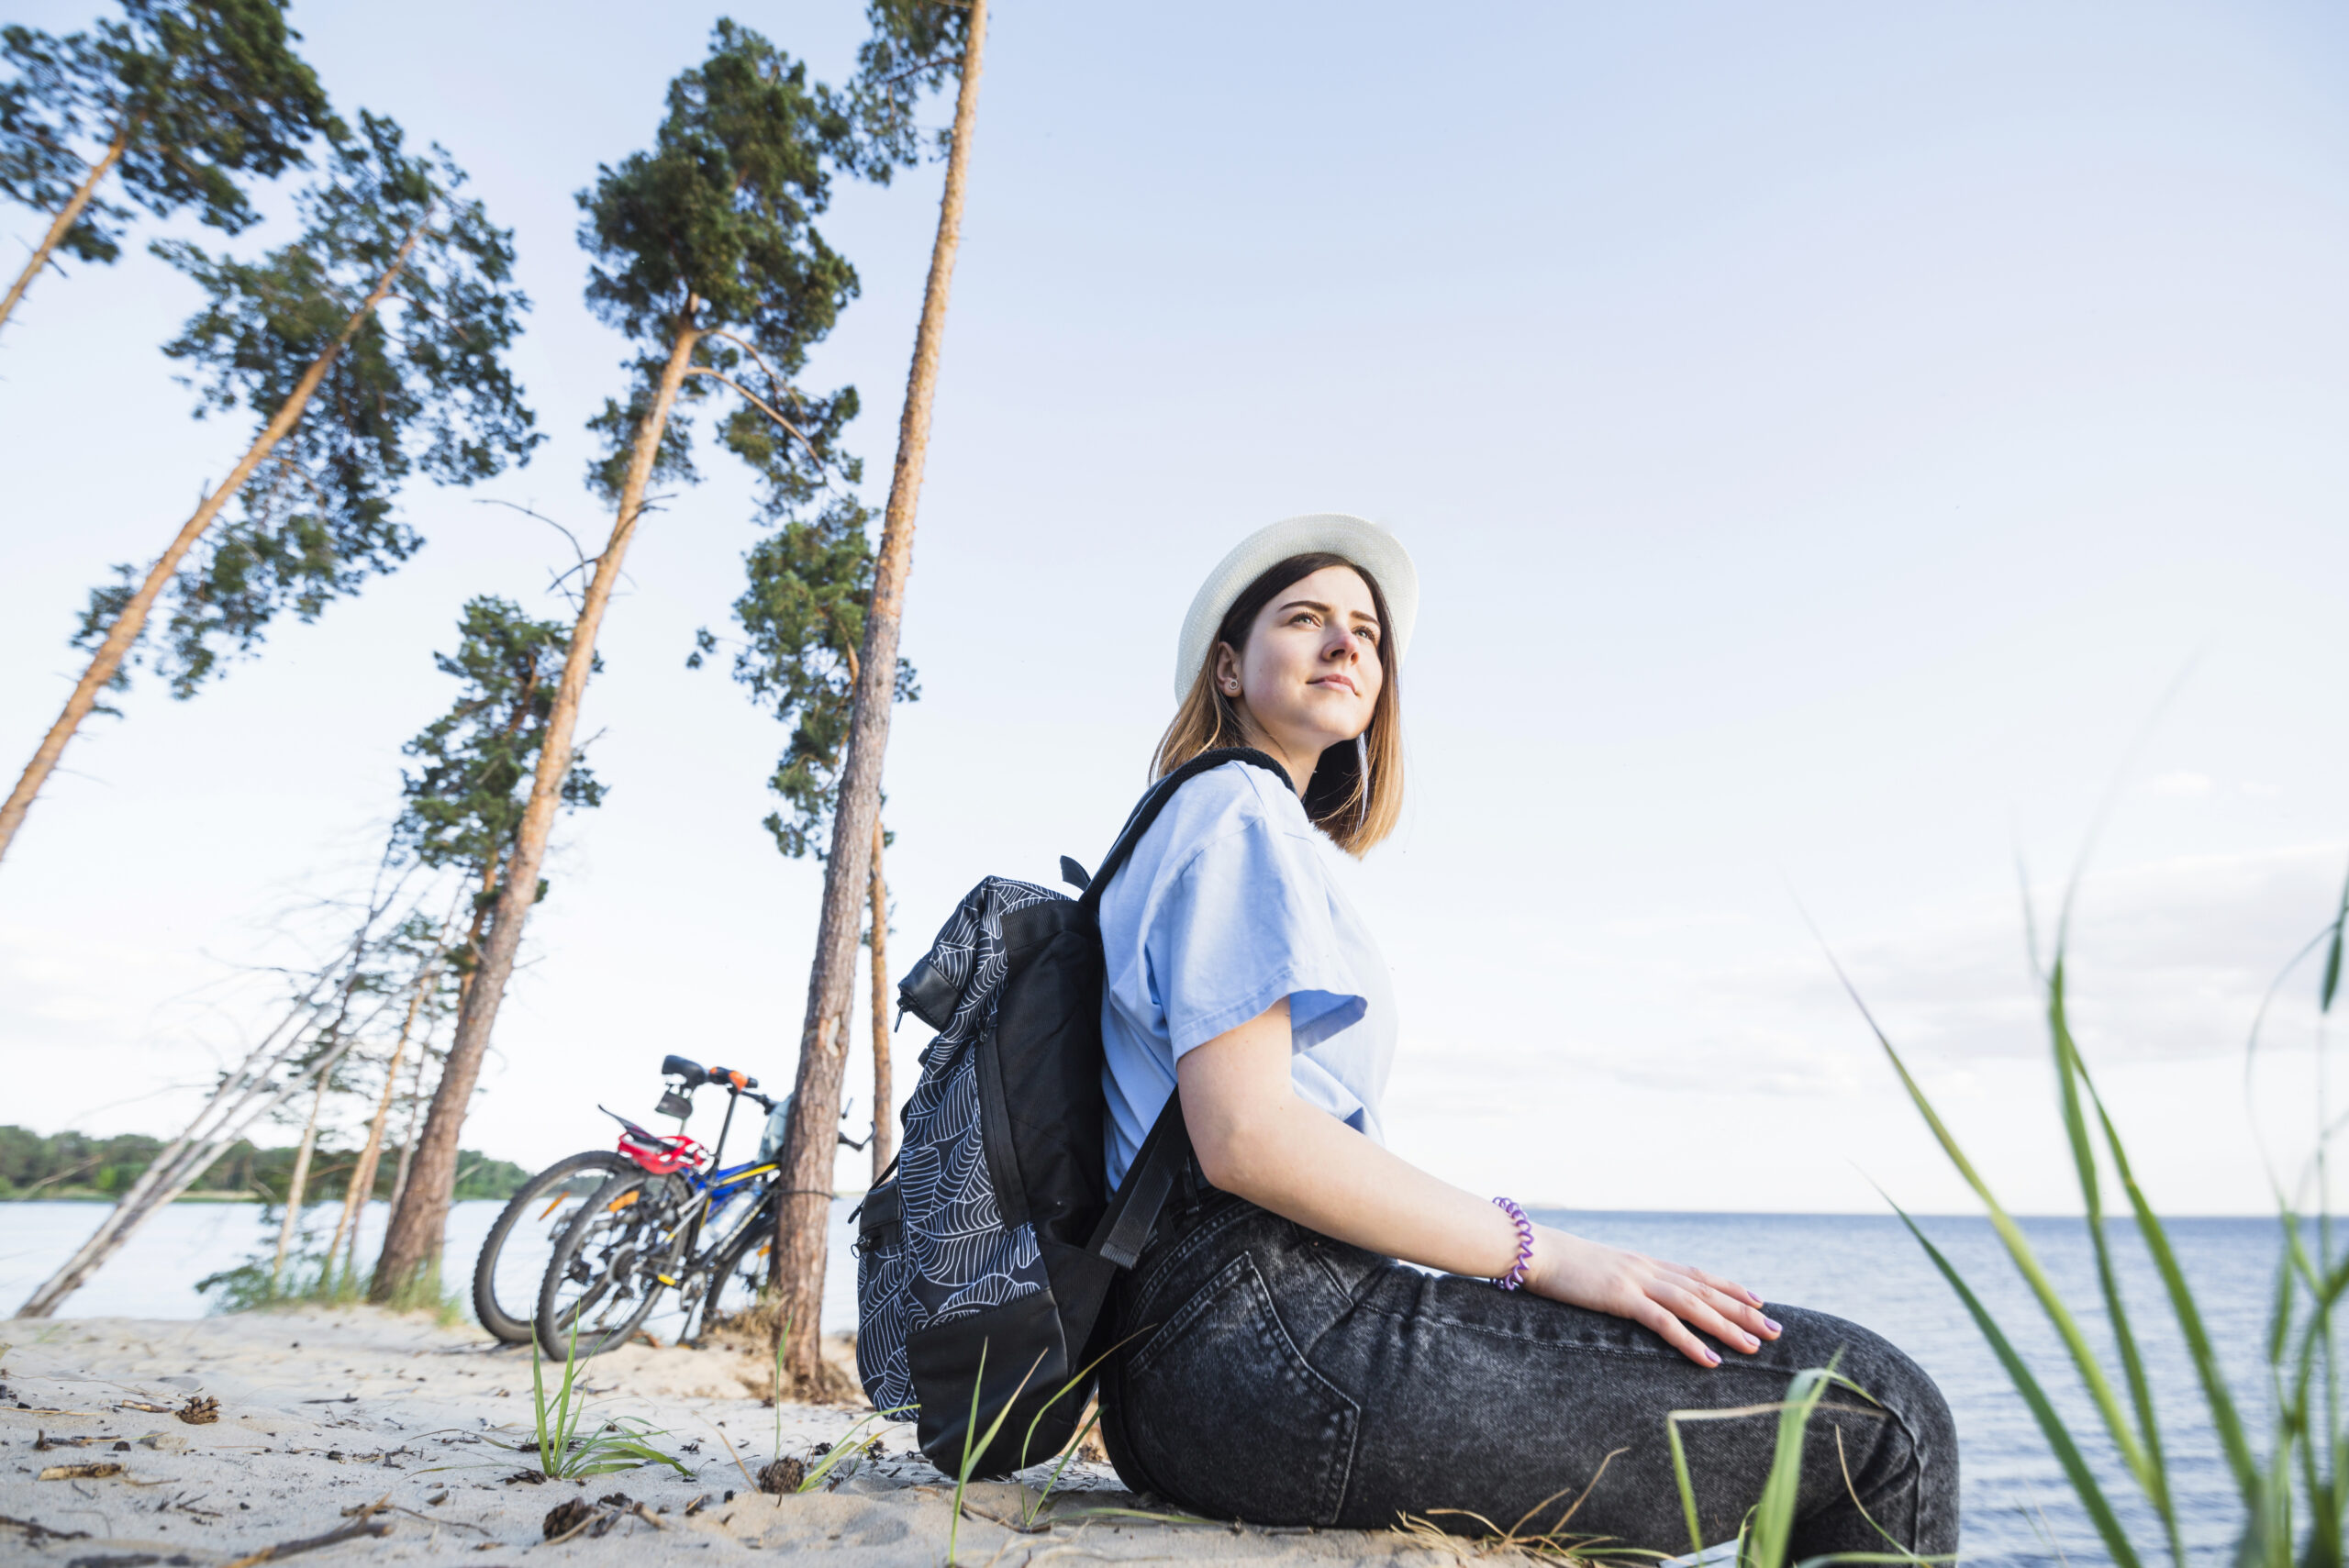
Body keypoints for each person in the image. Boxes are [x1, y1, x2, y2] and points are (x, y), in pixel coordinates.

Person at [1092, 514, 1958, 1556]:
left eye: (1366, 631)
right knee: (1881, 1416)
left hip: (1201, 1370)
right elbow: (1249, 1137)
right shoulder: (1236, 808)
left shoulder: (1222, 824)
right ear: (1227, 667)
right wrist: (1546, 1254)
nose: (1346, 644)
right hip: (1261, 1348)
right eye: (1306, 618)